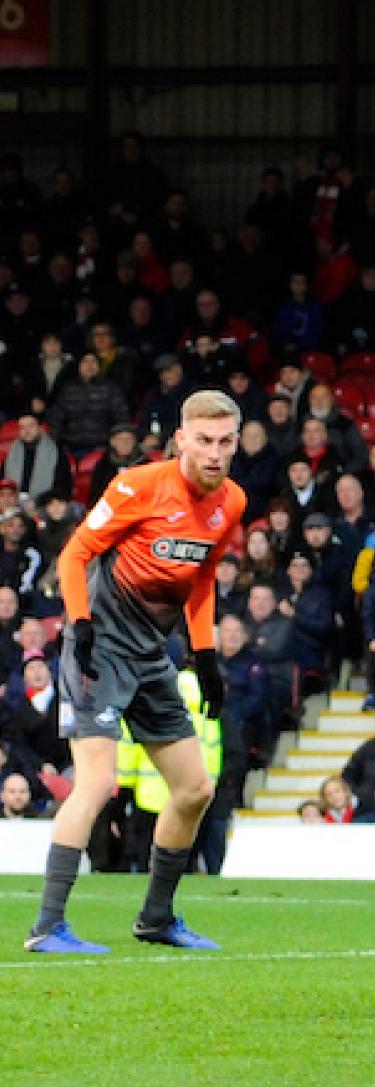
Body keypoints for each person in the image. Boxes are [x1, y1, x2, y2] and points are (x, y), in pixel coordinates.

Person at [26, 390, 246, 955]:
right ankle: (48, 926)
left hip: (152, 657)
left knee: (195, 788)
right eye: (204, 440)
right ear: (181, 440)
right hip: (98, 648)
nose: (215, 453)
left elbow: (201, 579)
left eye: (225, 441)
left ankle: (157, 918)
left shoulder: (232, 502)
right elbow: (75, 553)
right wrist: (77, 625)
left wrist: (206, 656)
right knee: (98, 782)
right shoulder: (138, 486)